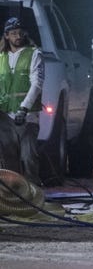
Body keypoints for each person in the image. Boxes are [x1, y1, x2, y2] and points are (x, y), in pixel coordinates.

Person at [0, 17, 44, 183]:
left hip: (27, 117)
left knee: (28, 157)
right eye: (13, 33)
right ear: (6, 36)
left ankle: (34, 195)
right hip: (4, 117)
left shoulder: (34, 54)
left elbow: (37, 84)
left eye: (20, 32)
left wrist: (24, 108)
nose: (17, 36)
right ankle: (14, 199)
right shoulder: (1, 57)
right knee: (8, 161)